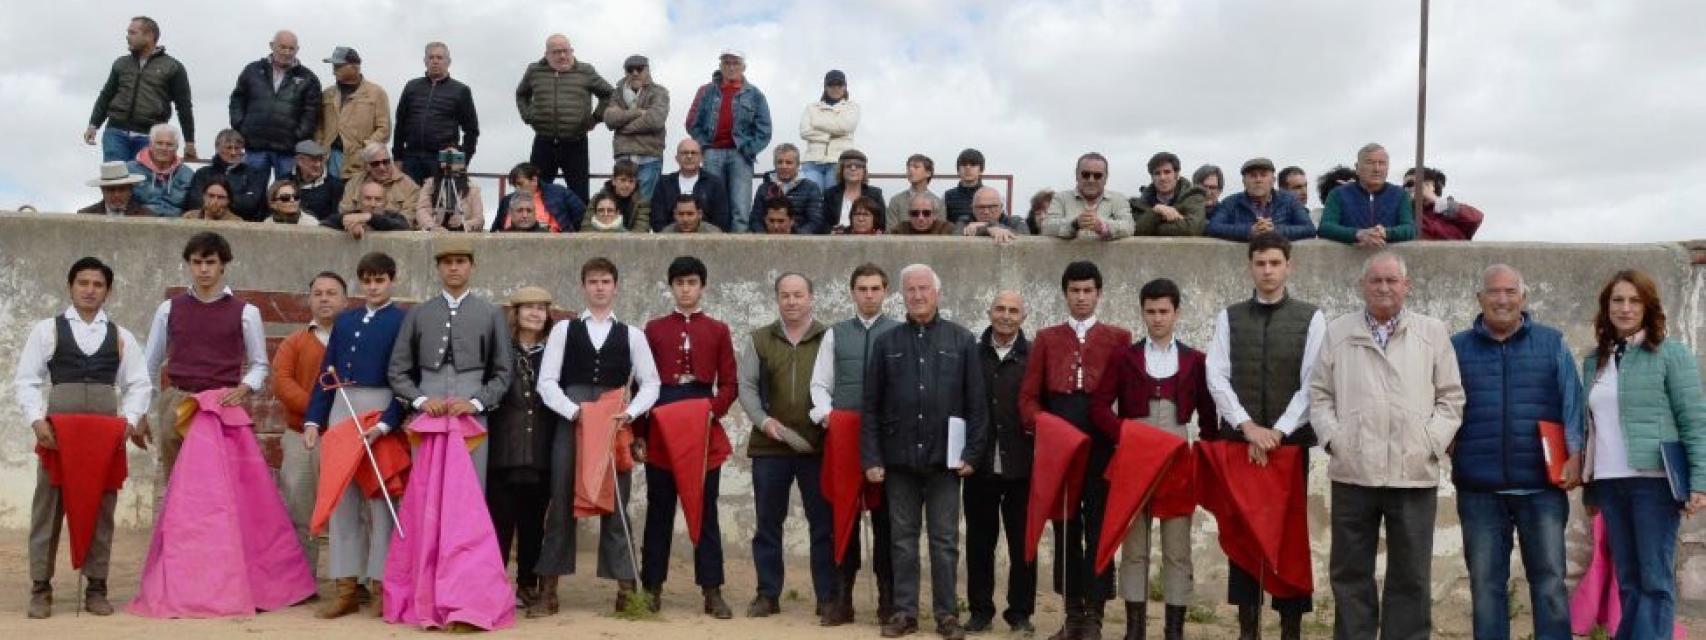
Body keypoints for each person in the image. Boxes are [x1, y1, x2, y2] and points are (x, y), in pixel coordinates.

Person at [1310, 252, 1465, 640]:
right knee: (1349, 573)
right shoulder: (1339, 332)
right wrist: (1336, 440)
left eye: (1392, 281)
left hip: (1413, 474)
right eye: (1376, 280)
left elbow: (1451, 398)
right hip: (1353, 472)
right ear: (1363, 286)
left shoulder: (1432, 332)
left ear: (1406, 286)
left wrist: (1430, 442)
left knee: (1411, 574)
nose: (1383, 288)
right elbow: (1319, 395)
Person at [1204, 231, 1327, 640]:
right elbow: (1216, 375)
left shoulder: (1312, 317)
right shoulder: (1229, 316)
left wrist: (1276, 432)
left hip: (1288, 445)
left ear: (1288, 266)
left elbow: (1313, 383)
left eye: (1275, 263)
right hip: (1241, 440)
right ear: (1250, 266)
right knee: (1244, 531)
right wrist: (1248, 427)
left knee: (1288, 537)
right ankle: (1248, 630)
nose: (1268, 270)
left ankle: (1290, 628)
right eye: (1260, 263)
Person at [1449, 264, 1582, 640]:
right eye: (1494, 292)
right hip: (1479, 491)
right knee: (1486, 588)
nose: (1502, 299)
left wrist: (1575, 455)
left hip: (1541, 489)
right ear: (1480, 298)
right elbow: (1442, 404)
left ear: (1523, 297)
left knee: (1551, 585)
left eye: (1510, 292)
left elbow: (1572, 404)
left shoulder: (1552, 343)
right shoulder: (1456, 348)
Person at [16, 257, 152, 618]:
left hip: (103, 438)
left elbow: (139, 383)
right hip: (58, 436)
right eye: (83, 283)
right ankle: (40, 587)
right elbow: (27, 380)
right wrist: (35, 421)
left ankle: (96, 586)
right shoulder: (47, 330)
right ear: (70, 286)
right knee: (48, 508)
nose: (90, 290)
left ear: (108, 291)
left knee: (101, 511)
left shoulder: (121, 336)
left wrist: (130, 421)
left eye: (98, 284)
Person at [861, 264, 985, 640]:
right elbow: (871, 407)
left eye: (924, 289)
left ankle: (947, 615)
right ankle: (905, 612)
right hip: (898, 461)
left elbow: (977, 404)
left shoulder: (962, 341)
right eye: (911, 289)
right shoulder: (887, 343)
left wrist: (972, 454)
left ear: (937, 293)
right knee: (902, 540)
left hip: (945, 463)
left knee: (944, 541)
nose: (917, 295)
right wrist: (872, 458)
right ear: (902, 295)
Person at [1580, 270, 1706, 640]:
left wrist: (1699, 480)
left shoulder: (1671, 354)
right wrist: (1590, 488)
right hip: (1609, 482)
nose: (1625, 307)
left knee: (1654, 579)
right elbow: (1591, 427)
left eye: (1635, 300)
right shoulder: (1595, 361)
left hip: (1654, 482)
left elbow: (1694, 420)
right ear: (1607, 307)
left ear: (1648, 307)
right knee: (1629, 579)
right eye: (1618, 300)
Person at [535, 258, 662, 615]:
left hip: (613, 423)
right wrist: (573, 411)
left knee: (617, 500)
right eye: (593, 281)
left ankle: (626, 589)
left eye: (606, 281)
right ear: (583, 286)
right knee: (560, 501)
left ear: (616, 286)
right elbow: (547, 381)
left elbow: (651, 382)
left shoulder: (633, 335)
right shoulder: (563, 330)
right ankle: (549, 590)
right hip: (572, 421)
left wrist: (631, 413)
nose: (600, 287)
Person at [1092, 278, 1216, 640]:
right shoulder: (1124, 357)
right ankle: (1135, 631)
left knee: (1178, 550)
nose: (1158, 318)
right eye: (1151, 311)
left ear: (1177, 313)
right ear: (1142, 312)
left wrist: (1203, 457)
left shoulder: (1195, 360)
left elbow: (1208, 418)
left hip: (1178, 460)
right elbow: (1099, 407)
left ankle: (1174, 631)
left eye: (1164, 311)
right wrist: (1126, 438)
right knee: (1134, 549)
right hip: (1135, 460)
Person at [1018, 261, 1133, 640]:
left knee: (1100, 528)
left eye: (1088, 290)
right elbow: (1030, 398)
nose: (1081, 298)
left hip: (1101, 443)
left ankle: (1095, 616)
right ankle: (1073, 615)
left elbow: (1127, 396)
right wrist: (1046, 428)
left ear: (1099, 293)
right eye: (1074, 291)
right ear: (1065, 293)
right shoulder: (1047, 338)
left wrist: (1123, 438)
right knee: (1066, 527)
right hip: (1062, 444)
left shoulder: (1119, 337)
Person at [301, 253, 407, 619]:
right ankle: (346, 586)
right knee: (341, 501)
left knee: (380, 504)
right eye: (367, 280)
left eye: (380, 280)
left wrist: (387, 423)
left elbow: (406, 379)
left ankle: (381, 585)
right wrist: (314, 420)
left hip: (379, 411)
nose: (373, 287)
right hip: (341, 412)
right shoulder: (345, 322)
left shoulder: (402, 320)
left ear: (392, 280)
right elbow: (326, 375)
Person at [140, 232, 270, 516]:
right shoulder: (169, 309)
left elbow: (260, 364)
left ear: (223, 265)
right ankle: (176, 550)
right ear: (188, 264)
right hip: (176, 399)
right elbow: (149, 364)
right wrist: (142, 410)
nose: (203, 269)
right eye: (197, 262)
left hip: (219, 403)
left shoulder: (246, 312)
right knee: (174, 480)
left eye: (210, 262)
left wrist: (245, 387)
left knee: (218, 483)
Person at [637, 256, 738, 618]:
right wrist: (640, 433)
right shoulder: (654, 329)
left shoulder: (718, 329)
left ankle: (712, 591)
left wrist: (712, 411)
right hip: (662, 418)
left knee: (705, 509)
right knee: (659, 510)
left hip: (700, 418)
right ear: (671, 287)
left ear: (702, 286)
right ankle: (651, 588)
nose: (685, 289)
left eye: (692, 282)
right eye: (679, 283)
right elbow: (641, 384)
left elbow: (729, 383)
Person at [737, 273, 838, 619]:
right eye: (785, 295)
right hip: (770, 447)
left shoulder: (830, 338)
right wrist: (765, 422)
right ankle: (768, 594)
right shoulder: (760, 339)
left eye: (798, 295)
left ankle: (827, 596)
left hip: (818, 447)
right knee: (768, 523)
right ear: (777, 299)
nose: (792, 301)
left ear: (811, 298)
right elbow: (747, 388)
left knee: (823, 524)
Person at [810, 264, 900, 625]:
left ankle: (888, 601)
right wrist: (828, 416)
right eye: (862, 288)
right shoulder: (835, 334)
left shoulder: (899, 333)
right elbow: (819, 384)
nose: (868, 295)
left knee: (886, 522)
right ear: (852, 292)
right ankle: (842, 598)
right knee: (842, 515)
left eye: (875, 288)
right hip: (845, 434)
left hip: (886, 438)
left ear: (886, 291)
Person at [388, 237, 513, 484]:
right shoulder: (419, 313)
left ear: (472, 267)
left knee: (469, 485)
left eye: (460, 261)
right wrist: (421, 400)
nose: (453, 267)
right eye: (447, 262)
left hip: (471, 413)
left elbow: (504, 372)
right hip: (428, 411)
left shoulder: (491, 313)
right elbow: (397, 370)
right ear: (438, 268)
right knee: (427, 483)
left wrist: (476, 403)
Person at [962, 290, 1036, 634]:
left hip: (1023, 467)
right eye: (1000, 309)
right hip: (979, 467)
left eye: (1013, 311)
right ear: (989, 312)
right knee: (980, 543)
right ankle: (980, 611)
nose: (1006, 315)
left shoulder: (1035, 356)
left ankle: (1020, 613)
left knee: (1023, 544)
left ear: (1023, 316)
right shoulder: (972, 354)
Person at [268, 271, 345, 597]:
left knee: (348, 512)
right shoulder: (294, 342)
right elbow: (282, 383)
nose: (324, 298)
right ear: (309, 300)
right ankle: (302, 582)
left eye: (331, 293)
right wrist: (318, 410)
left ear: (344, 300)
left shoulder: (354, 339)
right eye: (318, 293)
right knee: (300, 508)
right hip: (302, 435)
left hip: (346, 437)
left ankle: (350, 582)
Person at [486, 286, 558, 615]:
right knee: (499, 522)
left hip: (541, 449)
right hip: (503, 448)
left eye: (541, 308)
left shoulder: (556, 352)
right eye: (528, 307)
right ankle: (493, 584)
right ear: (515, 313)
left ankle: (527, 584)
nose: (534, 313)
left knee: (533, 524)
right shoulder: (499, 352)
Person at [516, 33, 613, 204]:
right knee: (536, 192)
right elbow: (521, 94)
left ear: (572, 51)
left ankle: (579, 231)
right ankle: (537, 228)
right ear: (546, 54)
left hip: (575, 143)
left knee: (579, 195)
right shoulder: (534, 71)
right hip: (543, 142)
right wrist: (528, 116)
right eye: (556, 52)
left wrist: (595, 118)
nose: (562, 56)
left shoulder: (586, 71)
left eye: (566, 51)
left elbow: (609, 94)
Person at [86, 16, 196, 163]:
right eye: (128, 33)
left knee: (141, 183)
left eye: (132, 33)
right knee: (114, 180)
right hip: (115, 132)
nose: (127, 37)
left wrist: (189, 142)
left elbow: (184, 106)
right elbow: (106, 95)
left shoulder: (173, 67)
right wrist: (93, 125)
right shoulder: (121, 63)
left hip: (149, 136)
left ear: (149, 35)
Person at [689, 49, 772, 233]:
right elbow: (694, 123)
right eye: (727, 63)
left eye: (735, 63)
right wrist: (705, 146)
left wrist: (749, 149)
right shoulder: (707, 92)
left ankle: (739, 254)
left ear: (744, 67)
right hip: (712, 153)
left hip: (740, 154)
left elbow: (765, 129)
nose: (731, 67)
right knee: (710, 204)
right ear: (720, 66)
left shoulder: (755, 94)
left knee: (740, 208)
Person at [229, 30, 322, 179]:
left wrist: (297, 136)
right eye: (282, 47)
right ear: (272, 46)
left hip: (288, 151)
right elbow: (237, 100)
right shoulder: (252, 70)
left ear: (297, 50)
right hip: (254, 146)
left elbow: (311, 112)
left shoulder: (308, 78)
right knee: (251, 194)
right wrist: (240, 126)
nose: (287, 52)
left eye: (291, 48)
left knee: (286, 194)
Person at [393, 41, 480, 184]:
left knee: (441, 203)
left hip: (443, 158)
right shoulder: (412, 87)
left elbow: (471, 130)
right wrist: (397, 157)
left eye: (439, 58)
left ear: (448, 62)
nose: (435, 61)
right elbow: (400, 124)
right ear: (425, 61)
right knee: (409, 204)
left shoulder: (460, 90)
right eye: (431, 57)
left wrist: (462, 161)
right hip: (411, 158)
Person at [1319, 143, 1418, 247]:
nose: (1377, 169)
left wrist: (1384, 232)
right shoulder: (1338, 194)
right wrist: (1358, 234)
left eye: (1382, 163)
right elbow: (1326, 227)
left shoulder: (1400, 195)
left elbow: (1409, 229)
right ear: (1357, 168)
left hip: (1389, 260)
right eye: (1370, 163)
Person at [315, 47, 390, 179]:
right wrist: (320, 148)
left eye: (339, 66)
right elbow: (319, 125)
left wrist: (365, 150)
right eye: (333, 65)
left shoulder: (376, 93)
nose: (334, 70)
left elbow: (384, 129)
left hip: (361, 163)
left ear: (355, 66)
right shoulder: (327, 94)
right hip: (329, 160)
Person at [605, 54, 669, 201]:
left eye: (639, 69)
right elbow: (609, 119)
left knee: (643, 202)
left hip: (650, 155)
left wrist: (624, 126)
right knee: (621, 201)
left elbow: (655, 120)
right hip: (624, 155)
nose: (635, 73)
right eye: (630, 69)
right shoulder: (617, 93)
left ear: (647, 70)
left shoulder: (659, 91)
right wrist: (638, 112)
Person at [1206, 158, 1316, 242]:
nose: (1258, 180)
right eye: (1253, 176)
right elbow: (1213, 227)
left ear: (1272, 180)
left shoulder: (1290, 201)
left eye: (1263, 175)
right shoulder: (1230, 202)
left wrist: (1275, 231)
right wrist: (1249, 231)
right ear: (1244, 181)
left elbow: (1309, 229)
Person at [1040, 153, 1133, 241]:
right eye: (1086, 175)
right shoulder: (1060, 198)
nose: (1091, 180)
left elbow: (1129, 226)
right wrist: (1074, 224)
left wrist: (1102, 226)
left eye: (1097, 175)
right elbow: (1047, 227)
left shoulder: (1119, 199)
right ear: (1076, 175)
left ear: (1106, 178)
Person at [185, 129, 269, 221]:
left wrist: (217, 202)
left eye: (237, 148)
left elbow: (251, 205)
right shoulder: (202, 173)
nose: (233, 153)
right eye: (228, 148)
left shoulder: (254, 174)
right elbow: (196, 202)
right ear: (217, 148)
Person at [650, 139, 729, 232]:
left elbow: (721, 219)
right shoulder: (664, 183)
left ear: (701, 158)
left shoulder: (715, 183)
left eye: (694, 153)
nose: (689, 156)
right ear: (676, 158)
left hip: (706, 239)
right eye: (684, 153)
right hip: (670, 238)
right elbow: (657, 218)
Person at [799, 70, 858, 189]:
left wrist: (816, 123)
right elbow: (804, 132)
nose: (835, 88)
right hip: (812, 162)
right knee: (813, 201)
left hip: (838, 162)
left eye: (839, 84)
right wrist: (829, 136)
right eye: (831, 84)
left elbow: (846, 126)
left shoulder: (852, 107)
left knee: (833, 202)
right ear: (825, 87)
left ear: (845, 87)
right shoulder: (811, 107)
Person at [750, 143, 824, 233]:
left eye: (789, 163)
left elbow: (815, 221)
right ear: (774, 164)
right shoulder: (763, 188)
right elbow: (755, 220)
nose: (783, 166)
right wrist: (765, 237)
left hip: (799, 240)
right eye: (780, 162)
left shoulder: (811, 188)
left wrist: (795, 237)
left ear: (797, 165)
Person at [1131, 151, 1208, 237]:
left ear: (1176, 174)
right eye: (1157, 173)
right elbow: (1136, 230)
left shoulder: (1194, 197)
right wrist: (1157, 211)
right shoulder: (1139, 204)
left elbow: (1192, 229)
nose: (1162, 177)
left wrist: (1152, 226)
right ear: (1152, 177)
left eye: (1167, 172)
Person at [338, 142, 420, 221]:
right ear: (367, 166)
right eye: (375, 164)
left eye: (386, 162)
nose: (382, 168)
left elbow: (408, 219)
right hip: (361, 230)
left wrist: (373, 220)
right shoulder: (354, 183)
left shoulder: (409, 186)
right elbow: (345, 212)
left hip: (394, 232)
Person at [125, 124, 194, 216]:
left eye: (169, 144)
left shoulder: (187, 174)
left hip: (176, 223)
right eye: (159, 143)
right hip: (140, 221)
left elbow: (195, 204)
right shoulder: (130, 169)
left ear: (177, 148)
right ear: (150, 145)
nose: (164, 148)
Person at [495, 162, 584, 232]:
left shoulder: (558, 193)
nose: (517, 189)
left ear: (534, 180)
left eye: (520, 184)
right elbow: (496, 229)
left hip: (552, 245)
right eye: (514, 185)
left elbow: (581, 214)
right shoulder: (507, 201)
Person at [1404, 167, 1485, 240]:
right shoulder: (1407, 215)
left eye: (1410, 184)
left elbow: (1474, 219)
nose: (1406, 189)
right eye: (1404, 186)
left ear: (1430, 185)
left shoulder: (1451, 213)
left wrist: (1434, 199)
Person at [415, 148, 484, 231]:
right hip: (436, 232)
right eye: (447, 156)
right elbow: (422, 210)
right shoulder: (430, 184)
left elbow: (479, 219)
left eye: (455, 157)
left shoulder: (472, 188)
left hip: (461, 234)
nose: (450, 161)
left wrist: (463, 225)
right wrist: (432, 226)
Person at [823, 149, 884, 233]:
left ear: (864, 171)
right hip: (837, 241)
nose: (853, 168)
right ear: (841, 170)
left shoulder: (875, 194)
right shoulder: (830, 194)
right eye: (848, 166)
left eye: (858, 166)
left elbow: (882, 223)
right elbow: (824, 223)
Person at [324, 181, 411, 238]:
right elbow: (327, 222)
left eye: (378, 199)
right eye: (368, 199)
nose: (373, 204)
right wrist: (350, 224)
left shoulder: (394, 217)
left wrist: (369, 218)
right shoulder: (354, 215)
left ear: (385, 202)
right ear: (359, 201)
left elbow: (403, 226)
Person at [886, 154, 947, 230]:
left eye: (916, 167)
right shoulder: (896, 201)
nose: (910, 170)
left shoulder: (938, 202)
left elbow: (941, 231)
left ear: (928, 173)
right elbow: (891, 231)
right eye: (908, 168)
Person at [290, 140, 344, 220]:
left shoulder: (335, 185)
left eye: (321, 160)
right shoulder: (285, 181)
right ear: (299, 161)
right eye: (313, 160)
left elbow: (336, 217)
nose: (318, 164)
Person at [78, 162, 153, 216]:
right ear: (102, 190)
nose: (116, 195)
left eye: (122, 189)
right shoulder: (85, 216)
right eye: (111, 190)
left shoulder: (147, 216)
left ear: (130, 189)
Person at [596, 159, 652, 232]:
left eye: (631, 181)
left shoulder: (642, 203)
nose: (627, 185)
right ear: (613, 181)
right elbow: (587, 227)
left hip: (630, 242)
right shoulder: (598, 199)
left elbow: (640, 232)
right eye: (623, 180)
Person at [959, 186, 1029, 243]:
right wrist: (989, 229)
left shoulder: (1016, 221)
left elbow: (1025, 239)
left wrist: (987, 226)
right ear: (972, 208)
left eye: (992, 207)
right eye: (980, 207)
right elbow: (956, 237)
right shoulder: (964, 221)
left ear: (1001, 207)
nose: (986, 211)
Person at [943, 148, 986, 225]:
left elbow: (1000, 222)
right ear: (958, 170)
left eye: (973, 165)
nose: (967, 168)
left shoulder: (991, 196)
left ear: (981, 170)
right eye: (963, 165)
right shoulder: (947, 196)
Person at [889, 193, 953, 235]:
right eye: (915, 213)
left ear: (934, 215)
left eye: (926, 213)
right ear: (909, 215)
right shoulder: (899, 230)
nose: (920, 218)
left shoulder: (946, 229)